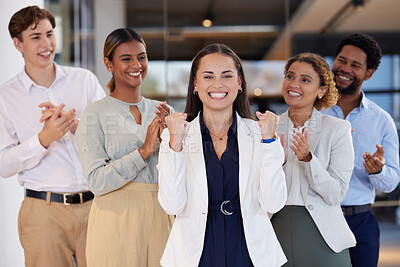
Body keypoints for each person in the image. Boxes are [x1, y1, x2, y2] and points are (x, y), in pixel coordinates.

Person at [157, 43, 287, 267]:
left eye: (226, 76)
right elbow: (172, 206)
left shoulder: (261, 133)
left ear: (239, 83)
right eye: (208, 77)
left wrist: (269, 143)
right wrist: (175, 145)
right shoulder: (176, 134)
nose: (217, 84)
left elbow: (273, 203)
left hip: (249, 252)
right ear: (196, 85)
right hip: (196, 253)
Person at [0, 5, 106, 267]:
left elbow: (111, 140)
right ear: (18, 44)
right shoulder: (6, 97)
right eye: (35, 37)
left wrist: (75, 126)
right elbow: (3, 165)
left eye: (50, 34)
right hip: (43, 214)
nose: (46, 44)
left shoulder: (85, 81)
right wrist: (43, 139)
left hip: (97, 208)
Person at [75, 28, 174, 267]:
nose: (136, 64)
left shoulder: (162, 111)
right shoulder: (94, 114)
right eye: (126, 58)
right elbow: (96, 181)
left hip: (163, 216)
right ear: (109, 64)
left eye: (141, 57)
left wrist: (174, 141)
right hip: (115, 220)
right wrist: (144, 151)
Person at [321, 33, 400, 267]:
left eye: (355, 65)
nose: (345, 69)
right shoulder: (312, 112)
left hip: (360, 222)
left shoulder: (381, 121)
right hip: (318, 218)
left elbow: (391, 181)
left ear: (369, 73)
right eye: (341, 60)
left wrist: (378, 171)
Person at [272, 53, 356, 267]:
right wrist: (275, 165)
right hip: (274, 231)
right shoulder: (266, 128)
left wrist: (308, 160)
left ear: (322, 91)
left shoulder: (337, 130)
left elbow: (336, 193)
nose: (294, 84)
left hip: (322, 235)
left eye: (305, 80)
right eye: (290, 76)